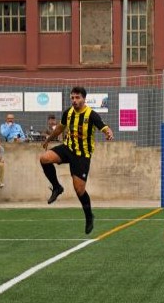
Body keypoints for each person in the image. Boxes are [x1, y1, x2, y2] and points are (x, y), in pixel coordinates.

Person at [40, 86, 114, 235]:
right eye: (72, 98)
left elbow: (103, 126)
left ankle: (89, 216)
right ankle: (57, 187)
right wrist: (49, 139)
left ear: (84, 99)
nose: (74, 100)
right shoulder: (68, 113)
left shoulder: (91, 115)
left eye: (77, 97)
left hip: (82, 155)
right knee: (44, 158)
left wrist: (108, 132)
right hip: (68, 148)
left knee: (79, 189)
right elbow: (60, 128)